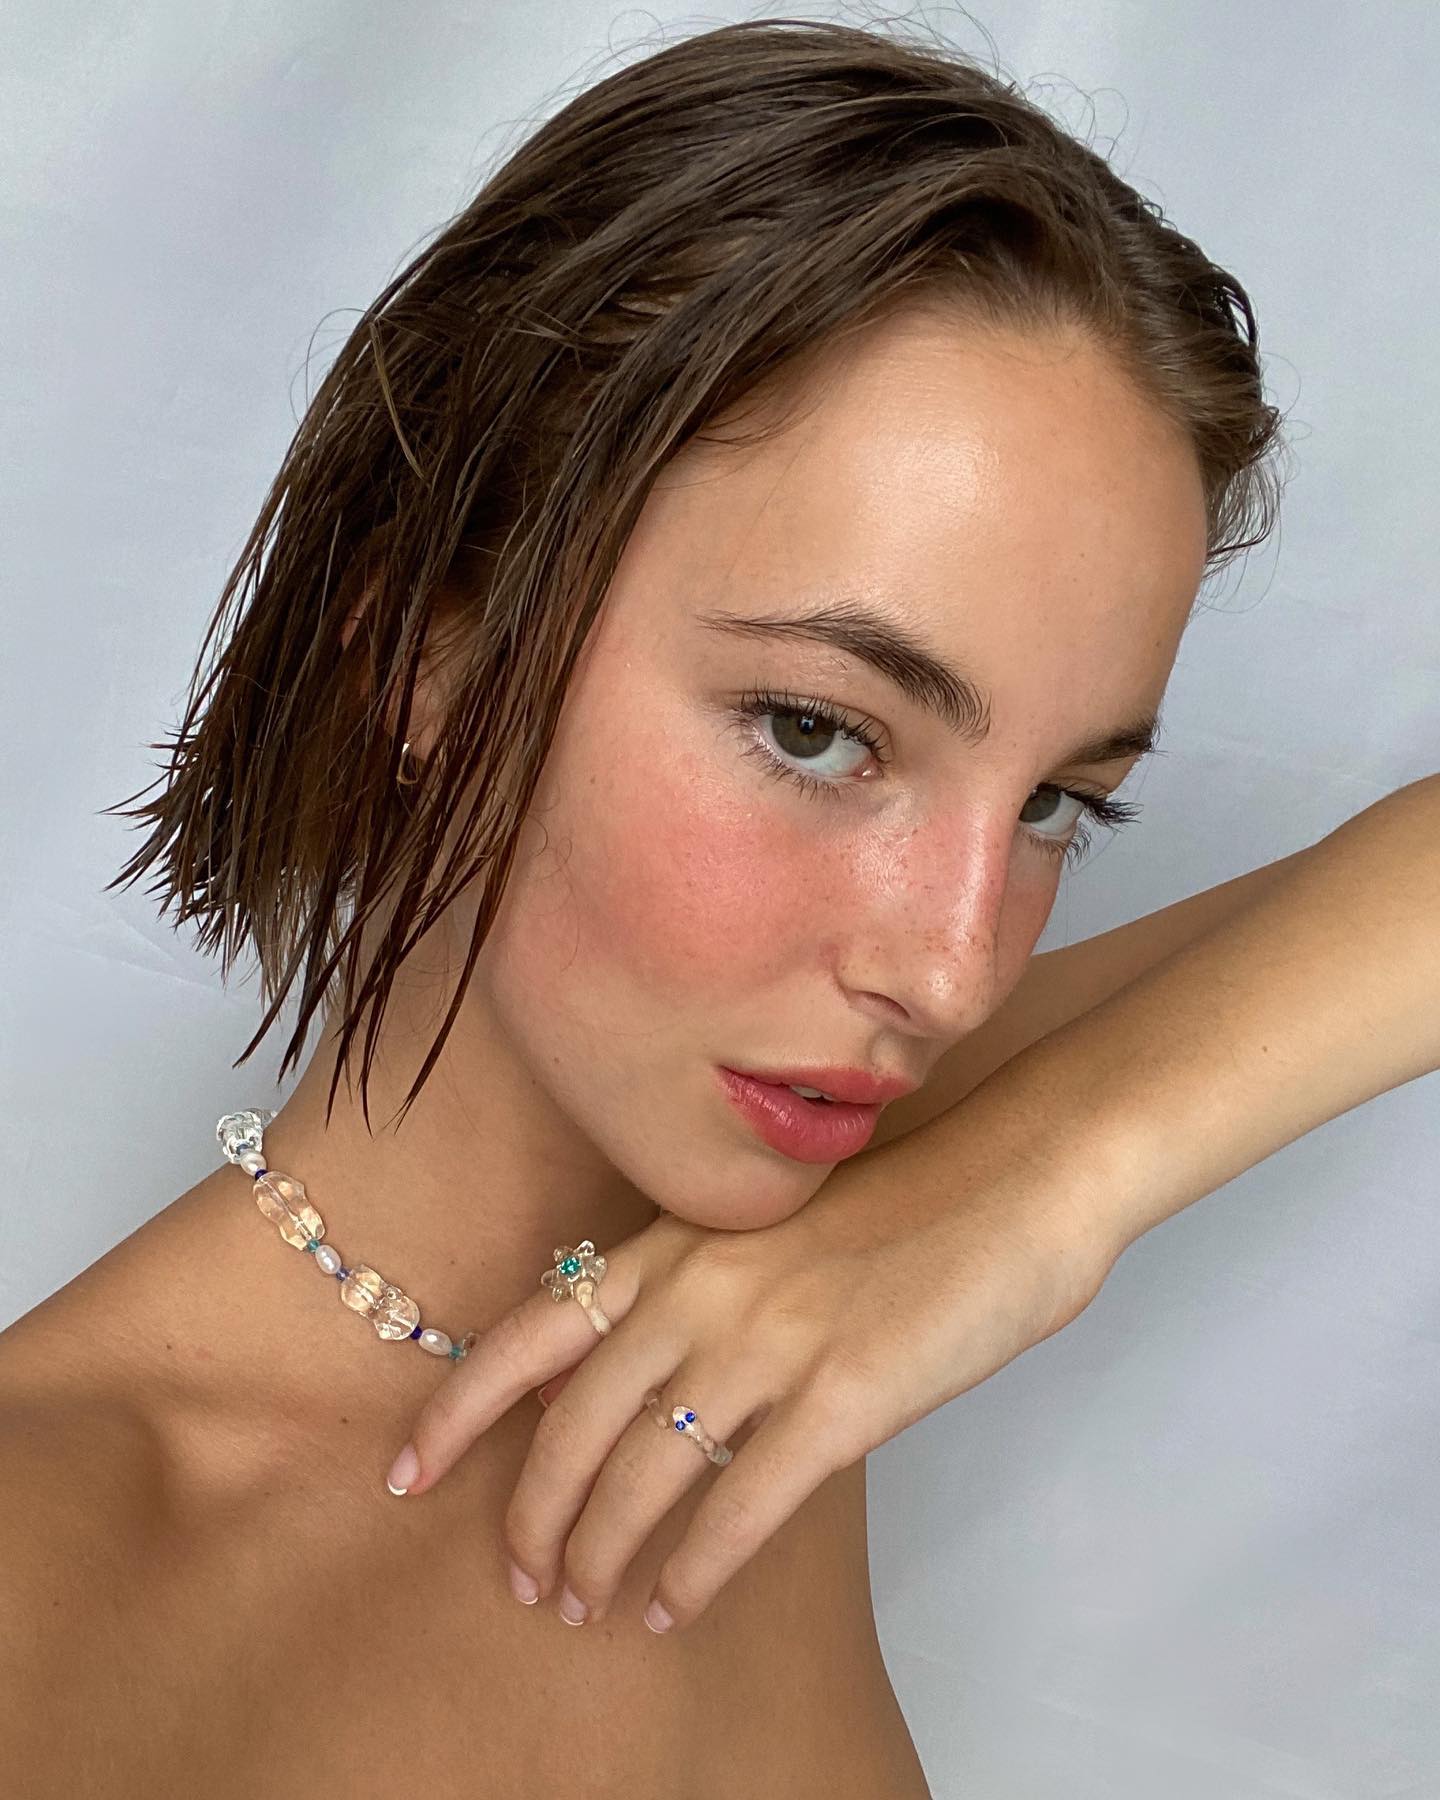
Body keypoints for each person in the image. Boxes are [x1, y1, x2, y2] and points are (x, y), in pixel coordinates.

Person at [0, 18, 1310, 1797]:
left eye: (1058, 804)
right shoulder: (56, 1584)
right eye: (817, 731)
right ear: (430, 659)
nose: (951, 974)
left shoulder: (839, 1248)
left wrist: (1053, 1194)